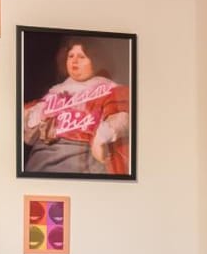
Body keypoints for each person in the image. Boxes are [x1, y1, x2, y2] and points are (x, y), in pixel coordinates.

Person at [23, 37, 130, 175]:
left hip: (81, 156)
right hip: (43, 156)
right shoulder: (56, 92)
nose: (74, 61)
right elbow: (29, 137)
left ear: (96, 60)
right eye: (71, 56)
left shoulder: (110, 90)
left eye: (82, 57)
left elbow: (122, 119)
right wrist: (37, 118)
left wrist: (102, 138)